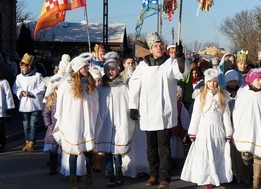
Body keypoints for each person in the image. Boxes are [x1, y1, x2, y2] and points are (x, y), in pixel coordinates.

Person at [129, 32, 189, 189]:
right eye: (156, 45)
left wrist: (181, 57)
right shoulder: (143, 66)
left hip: (163, 112)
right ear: (150, 48)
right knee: (150, 147)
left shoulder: (169, 63)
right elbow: (134, 85)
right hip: (148, 112)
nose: (160, 47)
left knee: (164, 147)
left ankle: (164, 178)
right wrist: (133, 106)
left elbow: (181, 73)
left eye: (161, 45)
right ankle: (153, 174)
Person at [180, 68, 233, 189]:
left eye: (214, 81)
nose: (212, 84)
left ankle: (217, 176)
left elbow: (226, 115)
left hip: (218, 129)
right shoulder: (200, 96)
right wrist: (192, 131)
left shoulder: (223, 96)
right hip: (204, 130)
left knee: (217, 153)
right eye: (209, 82)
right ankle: (207, 178)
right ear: (206, 82)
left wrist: (228, 132)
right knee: (205, 154)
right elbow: (196, 115)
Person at [54, 53, 99, 188]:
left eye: (87, 66)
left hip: (87, 120)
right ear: (78, 69)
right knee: (73, 151)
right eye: (84, 67)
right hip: (73, 122)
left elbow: (95, 102)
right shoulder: (68, 85)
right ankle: (73, 179)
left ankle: (89, 169)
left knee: (87, 150)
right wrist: (62, 118)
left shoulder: (90, 84)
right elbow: (62, 102)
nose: (87, 69)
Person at [232, 68, 261, 188]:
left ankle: (256, 182)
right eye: (257, 79)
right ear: (251, 81)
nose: (260, 82)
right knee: (246, 155)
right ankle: (246, 175)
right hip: (247, 129)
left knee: (259, 155)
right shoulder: (243, 94)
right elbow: (238, 113)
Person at [95, 55, 133, 187]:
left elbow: (128, 103)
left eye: (113, 69)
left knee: (117, 151)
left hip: (120, 121)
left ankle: (118, 172)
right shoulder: (101, 88)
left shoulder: (123, 87)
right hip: (105, 122)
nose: (110, 72)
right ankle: (110, 174)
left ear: (117, 70)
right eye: (108, 69)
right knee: (107, 151)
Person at [12, 53, 46, 153]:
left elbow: (42, 88)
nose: (21, 69)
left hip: (35, 104)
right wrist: (21, 92)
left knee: (33, 124)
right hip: (24, 104)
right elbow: (15, 87)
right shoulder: (19, 77)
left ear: (29, 66)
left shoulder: (37, 76)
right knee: (25, 124)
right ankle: (27, 141)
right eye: (21, 68)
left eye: (23, 67)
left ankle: (32, 142)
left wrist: (31, 93)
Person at [43, 85, 59, 175]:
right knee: (54, 148)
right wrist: (49, 125)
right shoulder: (51, 99)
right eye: (57, 88)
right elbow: (46, 113)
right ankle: (53, 167)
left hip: (64, 127)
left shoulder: (66, 98)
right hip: (54, 127)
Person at [170, 85, 190, 161]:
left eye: (177, 93)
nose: (176, 95)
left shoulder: (180, 105)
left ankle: (173, 157)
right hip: (169, 127)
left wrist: (185, 128)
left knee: (175, 144)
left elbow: (185, 118)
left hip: (176, 128)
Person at [0, 65, 15, 152]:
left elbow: (8, 95)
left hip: (1, 109)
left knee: (0, 128)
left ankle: (2, 143)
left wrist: (10, 107)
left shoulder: (4, 82)